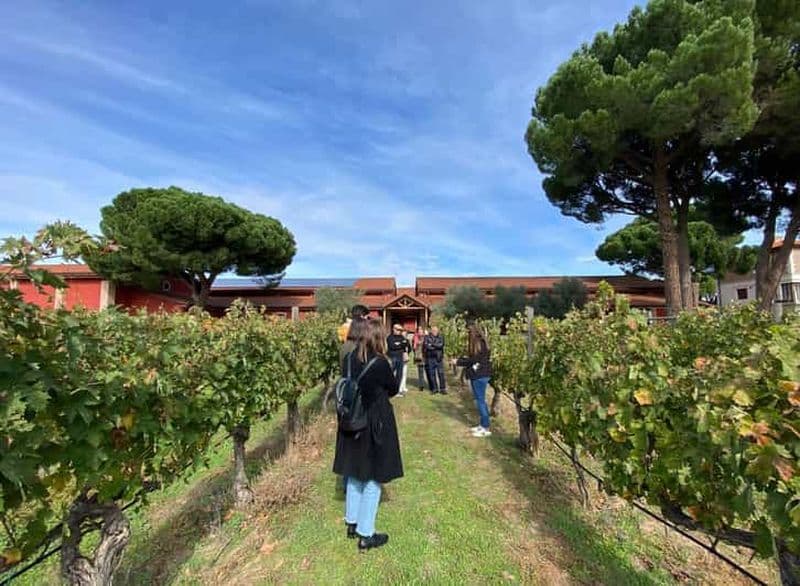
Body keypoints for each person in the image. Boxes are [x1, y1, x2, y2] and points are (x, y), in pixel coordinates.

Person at [333, 319, 403, 551]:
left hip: (351, 422)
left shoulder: (349, 359)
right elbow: (392, 389)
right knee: (374, 477)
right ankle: (366, 533)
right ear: (377, 337)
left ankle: (352, 523)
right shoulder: (380, 363)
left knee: (354, 472)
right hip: (375, 423)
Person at [457, 324, 493, 437]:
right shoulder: (484, 343)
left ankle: (486, 427)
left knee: (480, 401)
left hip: (479, 376)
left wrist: (458, 362)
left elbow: (473, 360)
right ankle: (482, 425)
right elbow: (475, 359)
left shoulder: (477, 344)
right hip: (483, 374)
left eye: (469, 333)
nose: (468, 335)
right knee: (480, 400)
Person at [387, 323, 411, 397]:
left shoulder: (401, 337)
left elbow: (406, 344)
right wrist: (400, 344)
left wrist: (399, 344)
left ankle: (396, 391)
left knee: (399, 375)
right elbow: (392, 346)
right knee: (390, 374)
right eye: (398, 330)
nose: (399, 331)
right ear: (393, 329)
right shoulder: (390, 337)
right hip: (392, 358)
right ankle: (387, 390)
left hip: (400, 358)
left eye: (400, 330)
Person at [423, 326, 447, 394]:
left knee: (441, 374)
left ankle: (442, 389)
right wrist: (436, 346)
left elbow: (441, 345)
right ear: (431, 331)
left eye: (436, 331)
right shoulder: (427, 337)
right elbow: (427, 346)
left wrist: (432, 344)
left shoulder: (441, 337)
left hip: (439, 358)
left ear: (438, 331)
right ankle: (434, 388)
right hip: (430, 358)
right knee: (432, 374)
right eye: (433, 330)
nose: (435, 332)